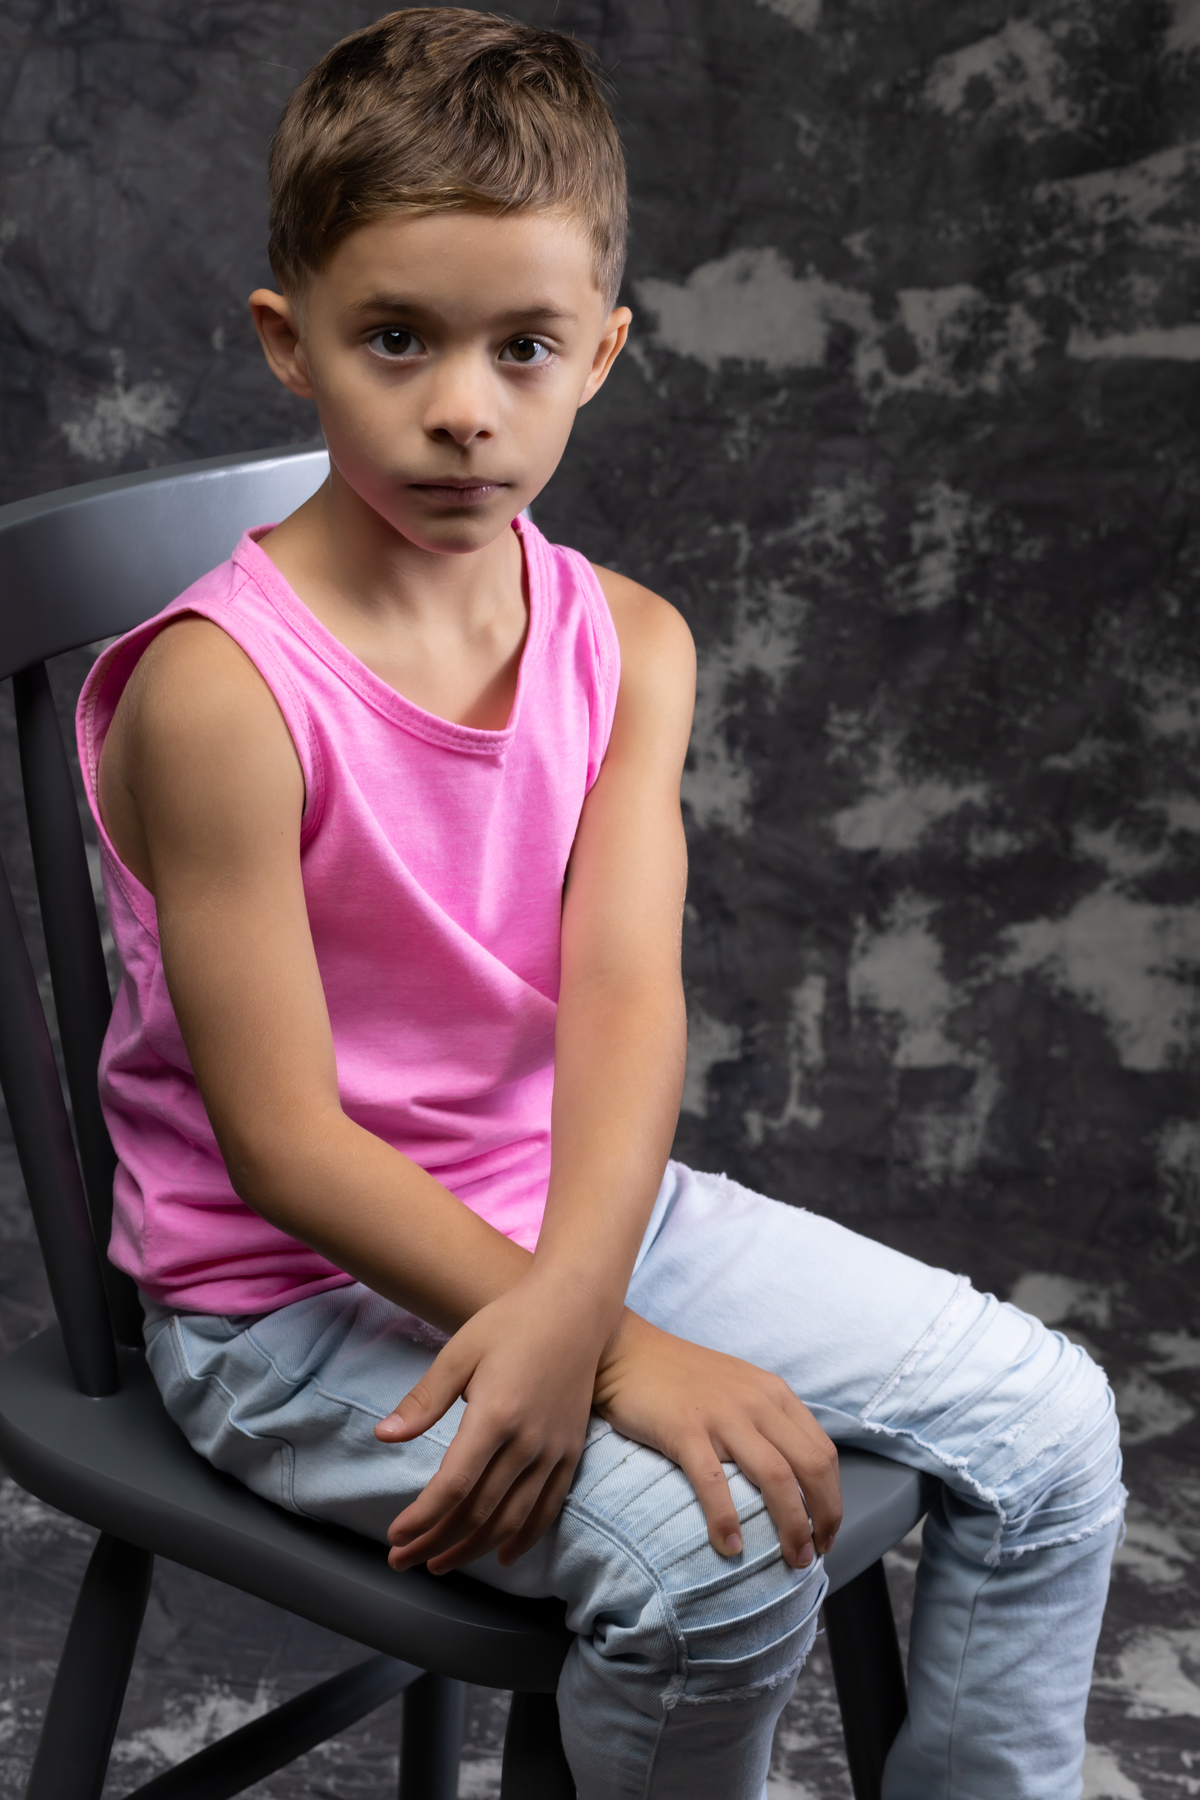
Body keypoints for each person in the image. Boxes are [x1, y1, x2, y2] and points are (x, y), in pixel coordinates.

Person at [77, 11, 1124, 1797]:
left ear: (603, 353)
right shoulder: (220, 697)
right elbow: (282, 1144)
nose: (461, 406)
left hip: (576, 1216)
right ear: (289, 340)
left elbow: (628, 998)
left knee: (1051, 1428)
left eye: (523, 346)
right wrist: (609, 1347)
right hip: (289, 1302)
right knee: (721, 1572)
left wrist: (580, 1299)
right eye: (395, 338)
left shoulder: (627, 642)